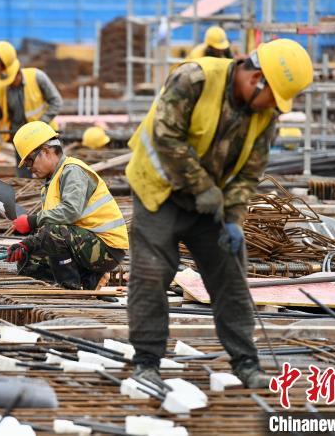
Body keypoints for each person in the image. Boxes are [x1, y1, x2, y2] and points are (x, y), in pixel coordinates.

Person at [125, 39, 313, 388]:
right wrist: (204, 188)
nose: (275, 108)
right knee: (151, 275)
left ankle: (245, 361)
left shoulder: (264, 116)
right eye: (274, 97)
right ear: (256, 78)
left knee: (230, 273)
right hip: (159, 192)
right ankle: (147, 361)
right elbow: (166, 138)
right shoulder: (194, 79)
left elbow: (248, 174)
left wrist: (233, 219)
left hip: (209, 204)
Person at [6, 121, 129, 290]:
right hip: (85, 243)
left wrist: (32, 221)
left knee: (54, 233)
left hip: (106, 248)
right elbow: (50, 228)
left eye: (30, 161)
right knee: (30, 262)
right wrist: (26, 245)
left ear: (46, 152)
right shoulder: (52, 182)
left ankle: (71, 288)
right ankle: (88, 281)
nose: (30, 169)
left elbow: (70, 213)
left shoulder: (72, 171)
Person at [0, 41, 63, 177]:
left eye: (12, 80)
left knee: (54, 173)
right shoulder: (2, 87)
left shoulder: (37, 77)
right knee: (24, 177)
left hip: (44, 137)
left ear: (18, 73)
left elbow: (56, 101)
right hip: (21, 139)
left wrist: (41, 123)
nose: (10, 84)